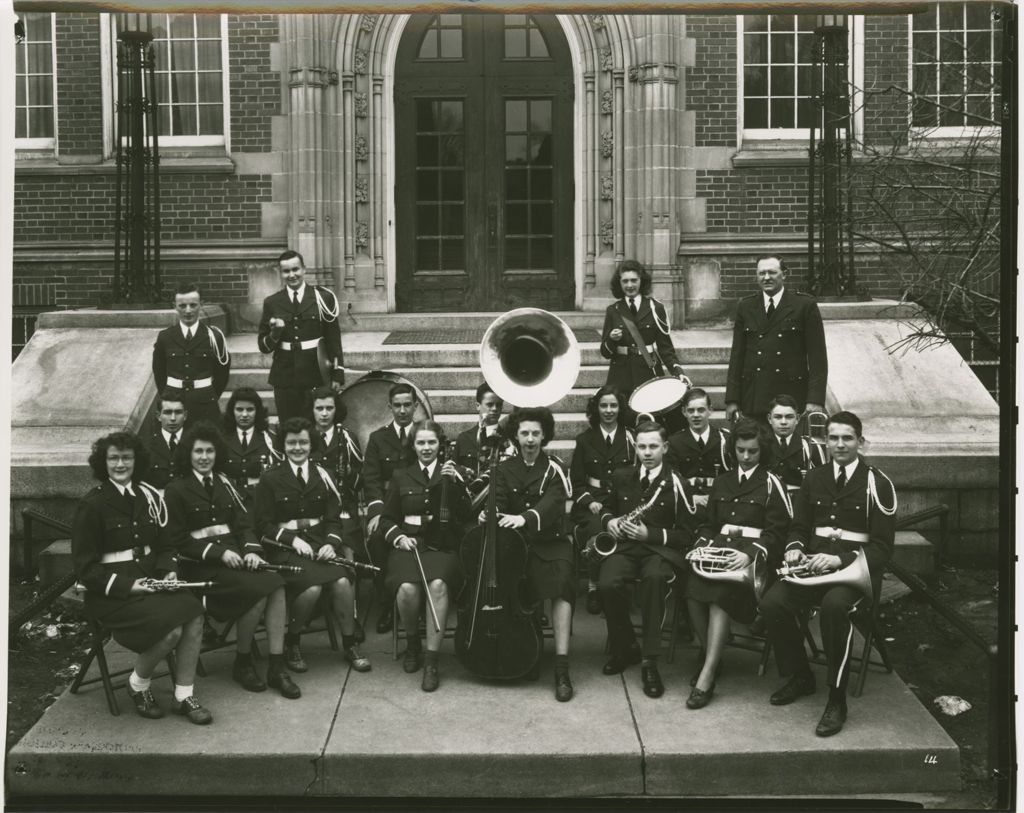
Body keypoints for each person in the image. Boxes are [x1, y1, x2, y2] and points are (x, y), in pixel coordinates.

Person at [759, 411, 897, 737]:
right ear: (825, 440)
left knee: (835, 608)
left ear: (860, 442)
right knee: (772, 603)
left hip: (855, 574)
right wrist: (793, 547)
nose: (839, 444)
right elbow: (799, 526)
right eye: (833, 437)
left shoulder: (878, 483)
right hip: (812, 568)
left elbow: (881, 549)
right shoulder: (814, 477)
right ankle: (801, 676)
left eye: (847, 438)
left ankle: (837, 699)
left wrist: (841, 560)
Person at [71, 431, 211, 724]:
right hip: (112, 594)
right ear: (103, 462)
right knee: (171, 630)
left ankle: (183, 695)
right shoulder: (92, 505)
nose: (120, 464)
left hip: (151, 581)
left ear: (136, 461)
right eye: (113, 458)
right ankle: (138, 684)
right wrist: (127, 585)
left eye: (126, 457)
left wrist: (169, 570)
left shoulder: (148, 497)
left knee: (194, 613)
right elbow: (85, 569)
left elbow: (166, 545)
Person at [165, 423, 300, 699]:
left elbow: (243, 525)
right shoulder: (175, 490)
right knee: (258, 591)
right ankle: (243, 660)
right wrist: (219, 554)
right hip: (201, 567)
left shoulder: (224, 483)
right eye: (198, 451)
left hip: (236, 561)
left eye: (210, 451)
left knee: (276, 584)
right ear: (188, 455)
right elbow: (177, 541)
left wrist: (252, 550)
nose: (204, 457)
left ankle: (275, 665)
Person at [684, 419, 791, 710]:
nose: (745, 457)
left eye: (752, 451)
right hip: (719, 553)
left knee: (719, 597)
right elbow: (709, 526)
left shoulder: (771, 483)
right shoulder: (723, 480)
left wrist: (752, 554)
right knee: (692, 592)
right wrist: (701, 545)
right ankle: (712, 657)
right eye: (741, 450)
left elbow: (778, 532)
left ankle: (707, 674)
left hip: (751, 561)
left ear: (762, 452)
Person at [252, 417, 371, 674]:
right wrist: (292, 540)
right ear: (283, 445)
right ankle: (292, 642)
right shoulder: (270, 479)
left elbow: (333, 519)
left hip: (319, 546)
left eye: (303, 442)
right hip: (285, 550)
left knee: (342, 582)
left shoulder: (324, 476)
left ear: (311, 444)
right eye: (292, 442)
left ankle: (349, 644)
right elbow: (262, 525)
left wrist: (330, 544)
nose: (298, 447)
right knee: (312, 588)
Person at [597, 421, 697, 699]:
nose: (647, 452)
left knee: (654, 581)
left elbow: (687, 534)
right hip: (625, 549)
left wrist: (650, 534)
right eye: (642, 446)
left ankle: (649, 661)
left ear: (665, 447)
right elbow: (605, 507)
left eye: (653, 446)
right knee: (607, 583)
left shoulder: (678, 483)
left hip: (659, 552)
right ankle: (626, 646)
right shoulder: (621, 476)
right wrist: (610, 521)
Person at [492, 407, 575, 702]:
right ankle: (530, 650)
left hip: (551, 542)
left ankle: (562, 667)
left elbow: (553, 504)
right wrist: (494, 515)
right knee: (516, 583)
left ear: (545, 436)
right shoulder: (503, 469)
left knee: (563, 584)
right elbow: (498, 502)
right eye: (525, 433)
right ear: (516, 435)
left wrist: (524, 517)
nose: (530, 439)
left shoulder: (555, 467)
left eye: (536, 433)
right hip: (517, 543)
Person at [381, 421, 470, 692]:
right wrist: (398, 536)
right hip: (409, 547)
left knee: (438, 585)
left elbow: (466, 517)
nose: (426, 448)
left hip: (442, 548)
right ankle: (412, 644)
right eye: (421, 442)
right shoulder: (401, 476)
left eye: (431, 442)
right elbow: (386, 519)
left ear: (440, 445)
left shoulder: (454, 474)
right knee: (407, 589)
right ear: (413, 446)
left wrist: (456, 484)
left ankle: (431, 661)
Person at [725, 256, 827, 422]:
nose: (766, 278)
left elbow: (818, 357)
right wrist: (732, 399)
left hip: (791, 397)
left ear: (784, 275)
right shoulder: (746, 306)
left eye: (772, 272)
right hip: (754, 396)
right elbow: (737, 355)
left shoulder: (804, 305)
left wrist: (815, 399)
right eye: (761, 273)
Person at [257, 249, 345, 426]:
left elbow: (333, 338)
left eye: (295, 269)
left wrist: (338, 374)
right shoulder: (272, 302)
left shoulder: (322, 298)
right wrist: (274, 334)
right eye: (286, 271)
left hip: (316, 373)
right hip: (285, 376)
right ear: (281, 274)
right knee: (289, 426)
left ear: (304, 269)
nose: (292, 275)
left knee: (318, 426)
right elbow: (264, 346)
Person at [570, 385, 635, 615]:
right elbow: (576, 483)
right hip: (594, 503)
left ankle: (620, 581)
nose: (609, 410)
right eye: (604, 405)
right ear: (596, 408)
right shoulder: (584, 440)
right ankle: (594, 587)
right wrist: (589, 502)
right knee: (599, 528)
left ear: (620, 408)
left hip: (622, 501)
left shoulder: (630, 438)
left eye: (613, 405)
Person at [599, 259, 691, 424]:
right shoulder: (613, 310)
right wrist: (611, 340)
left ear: (642, 281)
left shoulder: (656, 308)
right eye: (625, 281)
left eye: (634, 280)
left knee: (649, 423)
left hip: (648, 373)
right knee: (623, 423)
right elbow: (605, 352)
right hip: (620, 376)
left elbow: (665, 349)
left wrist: (678, 372)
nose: (630, 285)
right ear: (619, 283)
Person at [362, 382, 420, 633]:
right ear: (389, 407)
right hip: (388, 507)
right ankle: (387, 604)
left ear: (416, 406)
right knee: (377, 540)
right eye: (397, 405)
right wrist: (376, 514)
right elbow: (371, 479)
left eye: (408, 405)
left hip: (417, 504)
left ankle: (416, 603)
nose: (403, 410)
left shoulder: (425, 435)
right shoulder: (378, 438)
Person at [151, 283, 231, 428]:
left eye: (193, 305)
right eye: (182, 306)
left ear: (202, 305)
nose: (188, 310)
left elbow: (222, 374)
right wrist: (168, 396)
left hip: (205, 403)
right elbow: (159, 372)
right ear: (174, 306)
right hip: (173, 404)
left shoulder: (214, 336)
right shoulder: (165, 336)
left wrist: (210, 396)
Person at [666, 388, 734, 512]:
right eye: (691, 410)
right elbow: (670, 479)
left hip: (720, 502)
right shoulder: (674, 442)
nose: (696, 415)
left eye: (701, 410)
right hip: (687, 504)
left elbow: (732, 476)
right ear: (684, 412)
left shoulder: (725, 439)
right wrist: (690, 497)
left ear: (710, 410)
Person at [221, 387, 284, 503]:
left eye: (250, 409)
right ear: (232, 411)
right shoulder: (221, 440)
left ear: (258, 411)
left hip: (260, 499)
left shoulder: (271, 440)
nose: (244, 414)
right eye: (239, 409)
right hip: (230, 499)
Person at [766, 393, 828, 491]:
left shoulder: (811, 446)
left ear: (797, 419)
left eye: (789, 417)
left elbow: (822, 484)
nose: (783, 422)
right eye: (778, 417)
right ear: (769, 419)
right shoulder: (760, 445)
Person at [143, 391, 188, 491]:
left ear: (185, 415)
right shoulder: (146, 446)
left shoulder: (194, 444)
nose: (173, 418)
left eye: (178, 412)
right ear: (158, 416)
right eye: (167, 412)